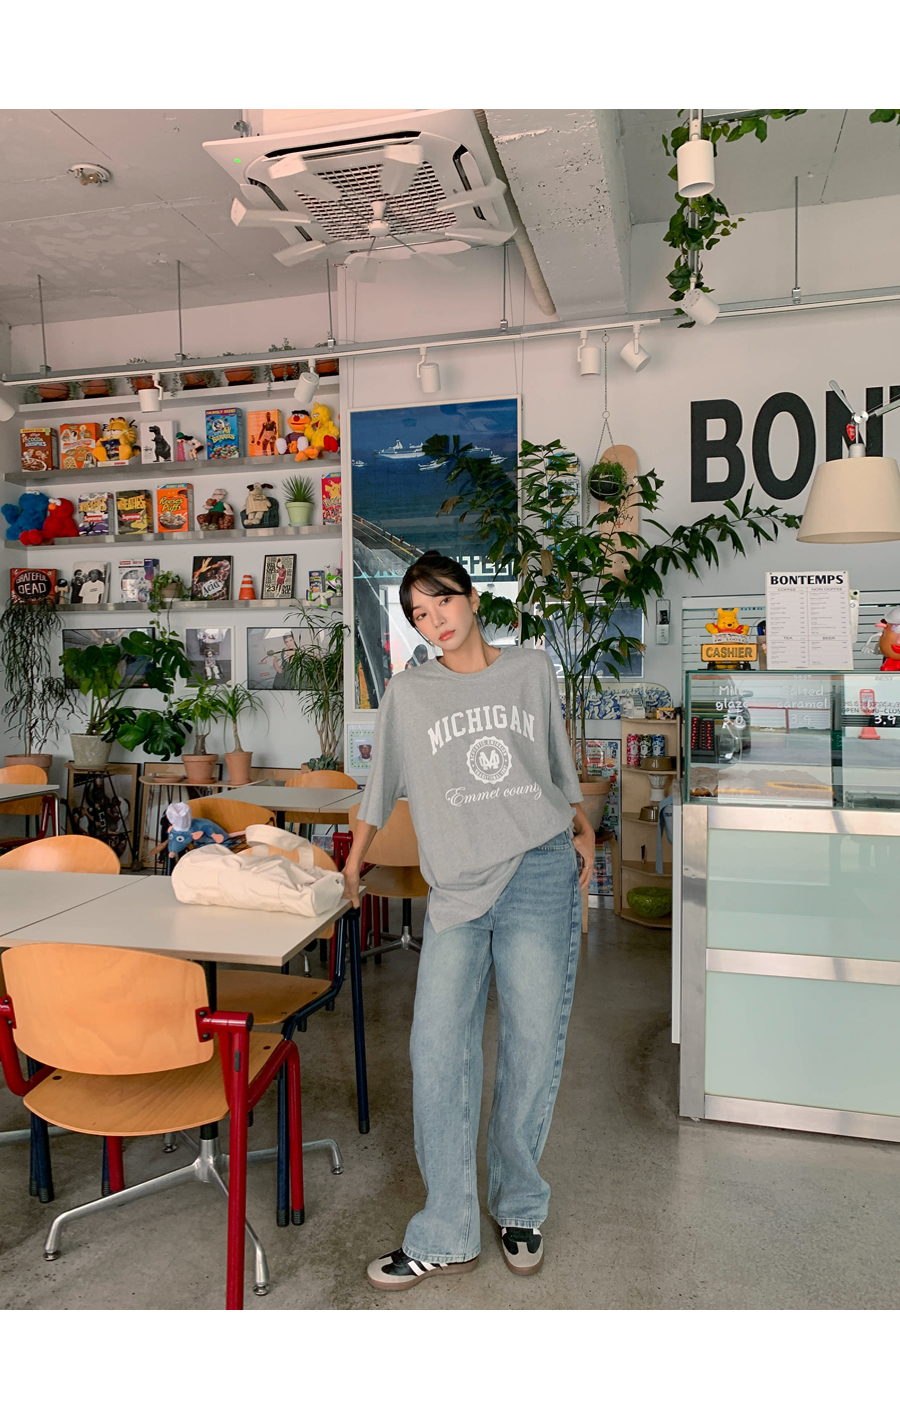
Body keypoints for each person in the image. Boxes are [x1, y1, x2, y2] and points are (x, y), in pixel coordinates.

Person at [342, 549, 595, 1292]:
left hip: (539, 871)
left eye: (443, 602)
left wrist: (582, 823)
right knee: (436, 1048)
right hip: (456, 889)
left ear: (473, 597)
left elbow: (555, 762)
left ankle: (519, 1204)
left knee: (531, 1044)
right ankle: (447, 1229)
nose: (435, 622)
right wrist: (355, 860)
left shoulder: (531, 670)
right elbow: (380, 785)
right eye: (419, 614)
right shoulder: (409, 692)